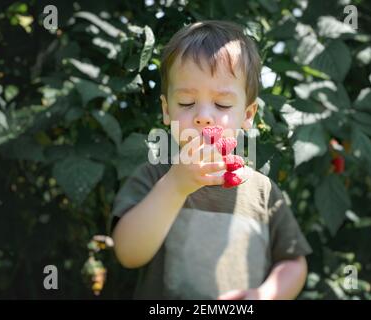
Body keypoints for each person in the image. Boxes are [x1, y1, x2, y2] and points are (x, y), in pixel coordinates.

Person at [111, 20, 312, 300]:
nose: (204, 116)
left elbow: (293, 261)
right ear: (166, 111)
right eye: (185, 103)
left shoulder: (262, 191)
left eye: (222, 104)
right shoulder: (156, 177)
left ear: (248, 115)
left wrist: (266, 295)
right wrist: (176, 186)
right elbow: (128, 253)